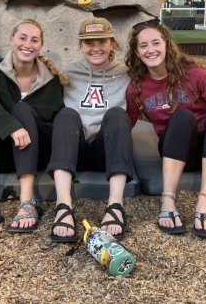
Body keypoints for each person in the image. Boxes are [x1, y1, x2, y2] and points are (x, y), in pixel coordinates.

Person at [125, 19, 206, 238]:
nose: (151, 50)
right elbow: (127, 123)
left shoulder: (196, 75)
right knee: (182, 115)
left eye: (156, 43)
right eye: (143, 46)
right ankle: (168, 201)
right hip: (177, 151)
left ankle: (205, 202)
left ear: (166, 44)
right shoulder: (136, 87)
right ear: (136, 52)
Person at [0, 19, 66, 241]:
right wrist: (11, 127)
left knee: (22, 109)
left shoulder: (51, 81)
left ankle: (28, 201)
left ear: (41, 46)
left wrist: (21, 121)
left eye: (34, 40)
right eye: (22, 37)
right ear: (11, 40)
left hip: (37, 154)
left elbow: (57, 123)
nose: (27, 44)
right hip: (2, 155)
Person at [46, 17, 134, 243]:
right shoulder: (70, 73)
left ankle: (115, 205)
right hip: (76, 151)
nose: (95, 48)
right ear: (80, 45)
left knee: (116, 114)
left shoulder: (126, 73)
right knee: (66, 115)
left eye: (102, 41)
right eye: (88, 43)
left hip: (107, 152)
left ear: (112, 43)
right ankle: (63, 206)